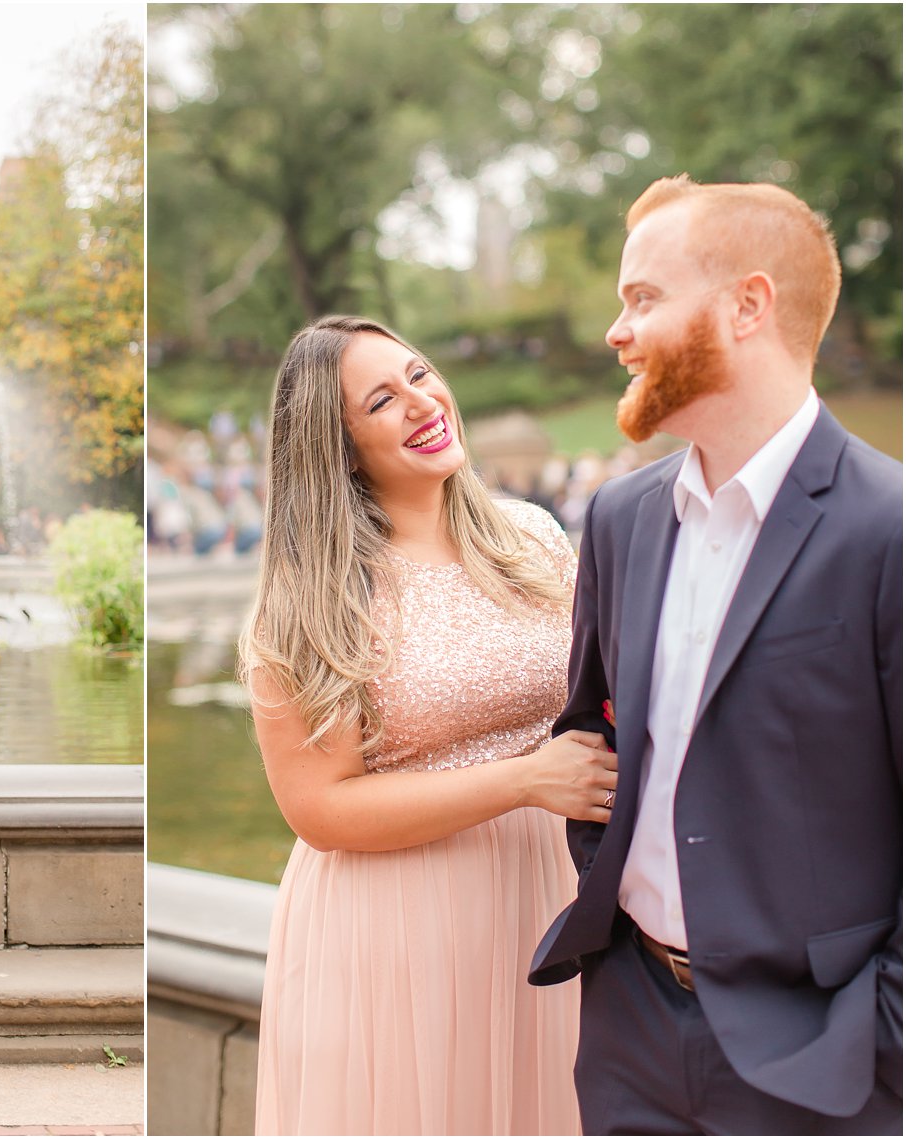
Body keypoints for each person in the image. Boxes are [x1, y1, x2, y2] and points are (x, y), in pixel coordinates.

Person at [528, 175, 901, 1135]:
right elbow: (593, 735)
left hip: (826, 1064)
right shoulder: (618, 519)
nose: (616, 329)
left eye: (643, 297)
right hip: (630, 1034)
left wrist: (880, 1044)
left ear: (748, 305)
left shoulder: (889, 528)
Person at [244, 315, 617, 1135]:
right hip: (395, 930)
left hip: (547, 898)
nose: (422, 402)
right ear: (336, 445)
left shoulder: (535, 538)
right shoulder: (311, 600)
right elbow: (319, 809)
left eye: (419, 374)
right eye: (383, 399)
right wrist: (525, 778)